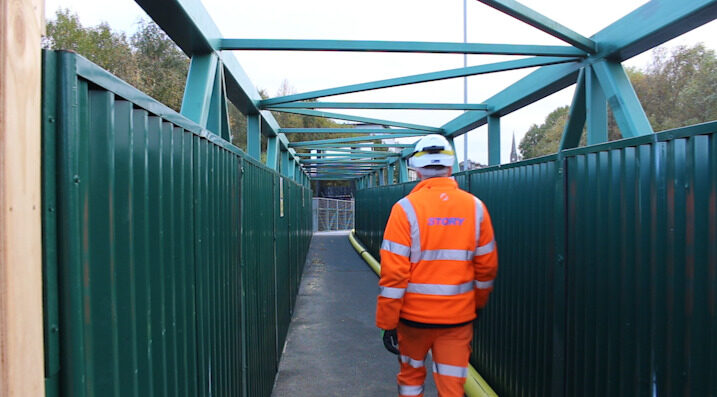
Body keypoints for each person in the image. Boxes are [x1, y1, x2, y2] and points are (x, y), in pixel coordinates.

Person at [376, 134, 498, 397]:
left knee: (410, 378)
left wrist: (388, 321)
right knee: (452, 386)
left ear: (416, 169)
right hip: (457, 319)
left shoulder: (404, 209)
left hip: (413, 320)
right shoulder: (475, 208)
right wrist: (475, 303)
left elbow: (394, 274)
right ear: (451, 167)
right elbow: (486, 268)